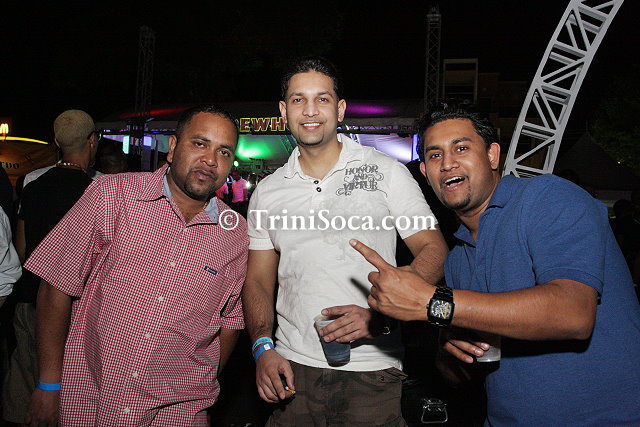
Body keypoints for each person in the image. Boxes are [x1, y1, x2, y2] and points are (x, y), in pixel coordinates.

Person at [350, 104, 640, 426]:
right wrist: (449, 350)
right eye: (435, 155)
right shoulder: (458, 259)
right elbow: (460, 376)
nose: (447, 163)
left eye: (461, 148)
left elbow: (574, 314)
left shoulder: (547, 197)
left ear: (492, 156)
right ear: (425, 173)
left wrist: (433, 303)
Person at [243, 56, 448, 426]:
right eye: (298, 99)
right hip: (291, 369)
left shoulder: (386, 172)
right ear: (283, 111)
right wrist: (262, 348)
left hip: (372, 371)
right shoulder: (268, 192)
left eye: (322, 99)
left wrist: (380, 314)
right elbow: (258, 281)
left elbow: (433, 250)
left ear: (339, 109)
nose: (310, 110)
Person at [23, 104, 248, 426]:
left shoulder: (236, 235)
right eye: (200, 143)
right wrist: (49, 383)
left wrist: (196, 383)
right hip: (92, 398)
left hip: (177, 412)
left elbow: (230, 323)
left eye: (223, 152)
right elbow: (55, 286)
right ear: (173, 147)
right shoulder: (111, 195)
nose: (211, 160)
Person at [2, 109, 98, 425]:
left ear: (56, 142)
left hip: (30, 298)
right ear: (92, 141)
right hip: (75, 306)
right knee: (68, 391)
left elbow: (20, 249)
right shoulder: (99, 192)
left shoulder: (32, 186)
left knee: (25, 385)